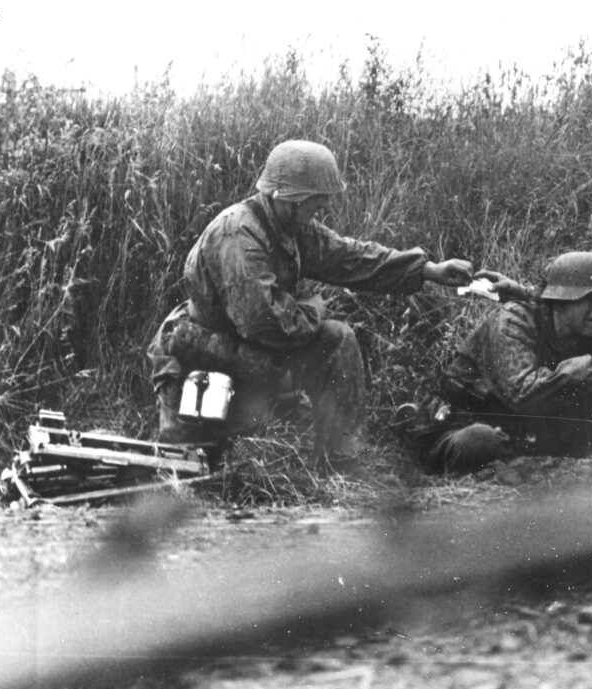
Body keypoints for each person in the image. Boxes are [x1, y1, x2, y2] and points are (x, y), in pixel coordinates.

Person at [147, 139, 473, 472]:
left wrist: (427, 270)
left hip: (252, 353)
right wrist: (315, 309)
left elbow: (350, 257)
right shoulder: (238, 236)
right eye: (315, 206)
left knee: (337, 340)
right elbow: (266, 324)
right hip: (206, 356)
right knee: (189, 468)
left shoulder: (287, 226)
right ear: (289, 200)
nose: (320, 213)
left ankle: (344, 460)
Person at [402, 251, 592, 474]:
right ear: (562, 299)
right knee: (480, 440)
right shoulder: (513, 321)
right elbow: (520, 393)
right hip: (473, 420)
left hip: (534, 427)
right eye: (591, 299)